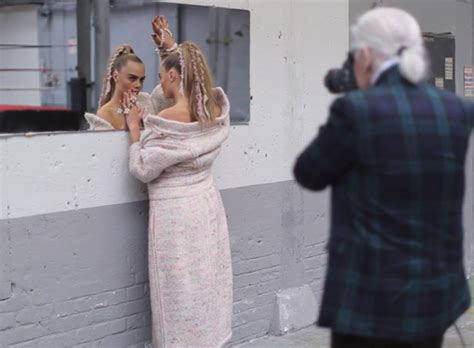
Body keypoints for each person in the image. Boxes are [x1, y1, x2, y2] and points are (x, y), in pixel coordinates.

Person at [294, 7, 473, 348]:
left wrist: (351, 104)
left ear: (364, 54)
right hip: (434, 294)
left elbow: (309, 173)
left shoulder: (356, 110)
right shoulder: (457, 110)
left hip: (370, 299)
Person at [123, 17, 233, 348]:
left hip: (175, 216)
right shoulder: (211, 110)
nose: (157, 84)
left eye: (161, 76)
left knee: (177, 294)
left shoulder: (167, 122)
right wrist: (170, 50)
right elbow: (189, 80)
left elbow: (143, 168)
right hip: (207, 206)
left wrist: (133, 131)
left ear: (173, 75)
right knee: (207, 286)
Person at [84, 44, 152, 130]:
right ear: (115, 76)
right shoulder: (104, 114)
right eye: (132, 78)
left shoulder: (145, 101)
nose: (138, 85)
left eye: (141, 80)